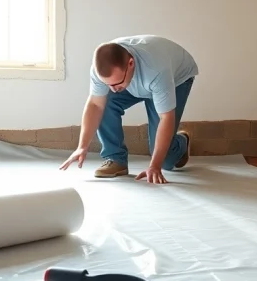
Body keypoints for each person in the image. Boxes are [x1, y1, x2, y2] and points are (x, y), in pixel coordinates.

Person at [60, 35, 198, 184]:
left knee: (166, 161)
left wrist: (154, 166)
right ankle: (115, 158)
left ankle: (182, 141)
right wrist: (82, 146)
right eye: (108, 84)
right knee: (105, 101)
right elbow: (95, 105)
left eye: (116, 83)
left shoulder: (157, 70)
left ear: (130, 63)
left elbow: (166, 117)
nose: (112, 89)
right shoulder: (102, 70)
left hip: (176, 79)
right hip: (141, 79)